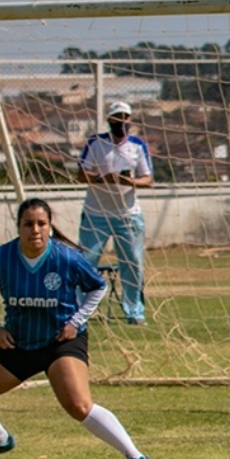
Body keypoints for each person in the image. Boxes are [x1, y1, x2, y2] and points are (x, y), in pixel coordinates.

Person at [0, 198, 153, 459]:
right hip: (18, 342)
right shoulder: (1, 258)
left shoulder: (66, 257)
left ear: (49, 227)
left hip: (61, 342)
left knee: (78, 405)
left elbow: (97, 287)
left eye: (41, 224)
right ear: (18, 227)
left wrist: (76, 321)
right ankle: (0, 440)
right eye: (28, 224)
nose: (35, 230)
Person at [77, 101, 153, 325]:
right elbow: (81, 174)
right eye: (117, 117)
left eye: (125, 117)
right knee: (86, 262)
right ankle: (82, 312)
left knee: (132, 262)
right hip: (95, 213)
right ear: (109, 120)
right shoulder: (96, 142)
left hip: (128, 214)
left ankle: (134, 311)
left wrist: (129, 181)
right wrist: (103, 178)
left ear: (130, 120)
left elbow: (148, 179)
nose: (122, 122)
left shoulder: (138, 146)